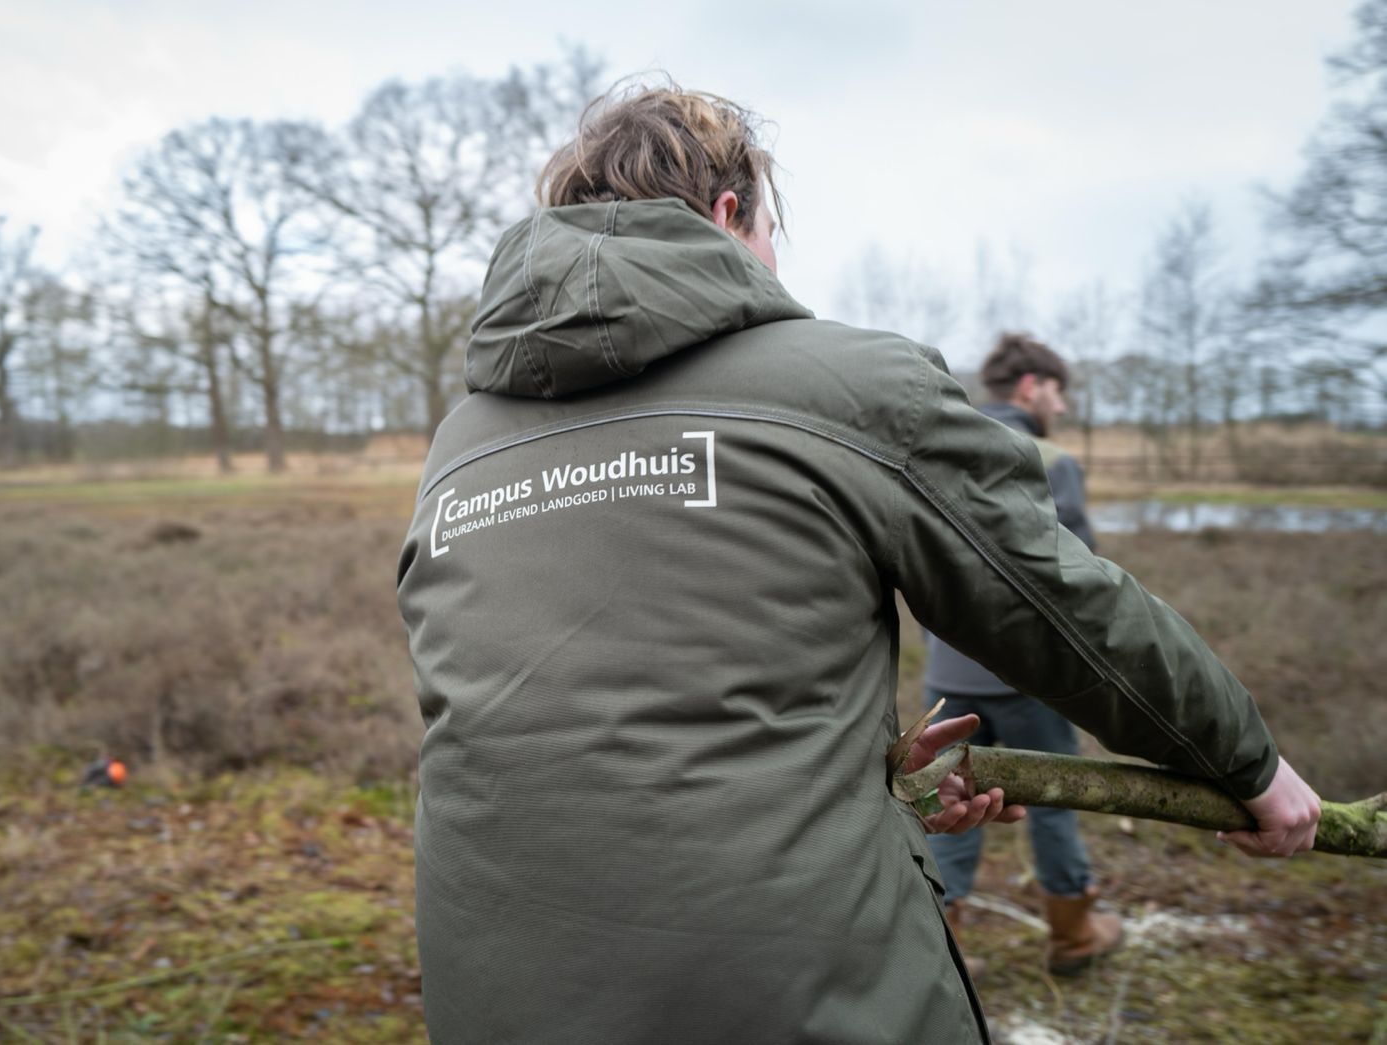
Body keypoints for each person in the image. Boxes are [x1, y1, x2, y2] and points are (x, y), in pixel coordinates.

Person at [396, 82, 1321, 1045]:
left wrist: (865, 779)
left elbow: (562, 709)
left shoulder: (462, 442)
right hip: (786, 995)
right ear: (728, 215)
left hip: (495, 994)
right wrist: (1245, 759)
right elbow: (1059, 607)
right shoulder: (846, 383)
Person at [922, 333, 1119, 979]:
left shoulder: (940, 449)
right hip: (1028, 679)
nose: (1060, 408)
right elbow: (1079, 579)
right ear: (1032, 386)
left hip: (945, 675)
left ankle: (940, 945)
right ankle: (1073, 934)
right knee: (1055, 802)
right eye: (1059, 393)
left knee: (950, 804)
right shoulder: (1049, 457)